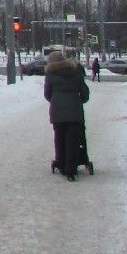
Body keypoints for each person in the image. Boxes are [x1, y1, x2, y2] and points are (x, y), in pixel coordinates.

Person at [44, 48, 90, 181]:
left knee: (59, 138)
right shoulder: (75, 72)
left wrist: (55, 101)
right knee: (73, 140)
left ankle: (62, 165)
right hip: (75, 112)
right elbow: (85, 93)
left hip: (57, 112)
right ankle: (71, 169)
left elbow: (47, 94)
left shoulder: (50, 74)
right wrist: (77, 101)